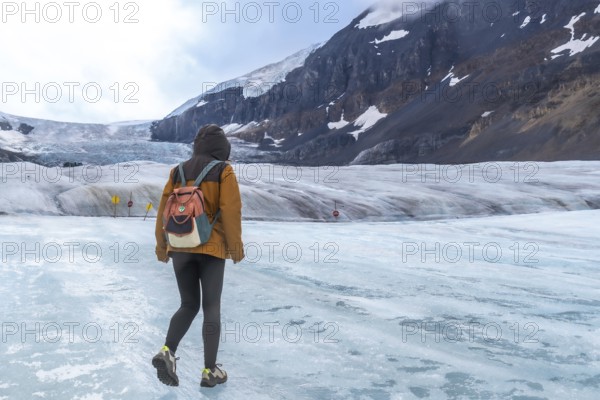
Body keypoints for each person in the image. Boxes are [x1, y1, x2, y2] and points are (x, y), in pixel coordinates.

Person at [152, 124, 244, 388]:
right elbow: (230, 210)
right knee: (211, 307)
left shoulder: (177, 171)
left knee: (188, 304)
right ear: (221, 148)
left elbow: (163, 211)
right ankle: (209, 371)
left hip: (179, 245)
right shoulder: (223, 170)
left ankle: (167, 351)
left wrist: (162, 246)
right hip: (211, 247)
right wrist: (235, 247)